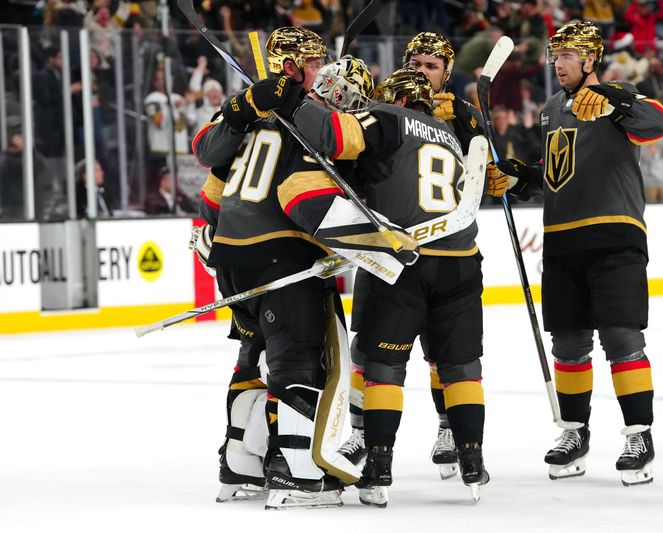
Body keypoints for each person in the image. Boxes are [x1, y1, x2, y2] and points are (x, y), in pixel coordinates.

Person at [291, 67, 489, 507]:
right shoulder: (449, 136)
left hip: (403, 262)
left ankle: (378, 467)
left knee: (384, 369)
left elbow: (331, 136)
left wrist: (295, 102)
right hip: (460, 262)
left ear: (396, 99)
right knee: (460, 366)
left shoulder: (386, 118)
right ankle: (472, 459)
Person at [191, 26, 363, 510]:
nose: (322, 71)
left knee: (251, 358)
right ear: (290, 68)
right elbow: (342, 150)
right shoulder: (307, 116)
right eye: (313, 64)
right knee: (297, 359)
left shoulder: (250, 123)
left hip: (233, 257)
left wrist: (244, 106)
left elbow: (208, 180)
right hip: (281, 253)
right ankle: (296, 470)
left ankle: (238, 463)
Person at [492, 21, 663, 486]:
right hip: (562, 238)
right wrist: (520, 178)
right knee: (568, 345)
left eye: (567, 56)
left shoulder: (618, 95)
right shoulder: (552, 109)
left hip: (615, 235)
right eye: (555, 57)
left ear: (590, 60)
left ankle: (639, 435)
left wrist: (618, 101)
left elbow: (659, 122)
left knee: (621, 338)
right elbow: (556, 171)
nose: (558, 64)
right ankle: (574, 432)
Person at [335, 31, 490, 481]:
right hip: (444, 253)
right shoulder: (447, 125)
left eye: (431, 66)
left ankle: (417, 440)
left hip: (400, 252)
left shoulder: (449, 116)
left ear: (446, 72)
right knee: (391, 353)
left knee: (399, 359)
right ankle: (460, 451)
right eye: (416, 65)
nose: (423, 72)